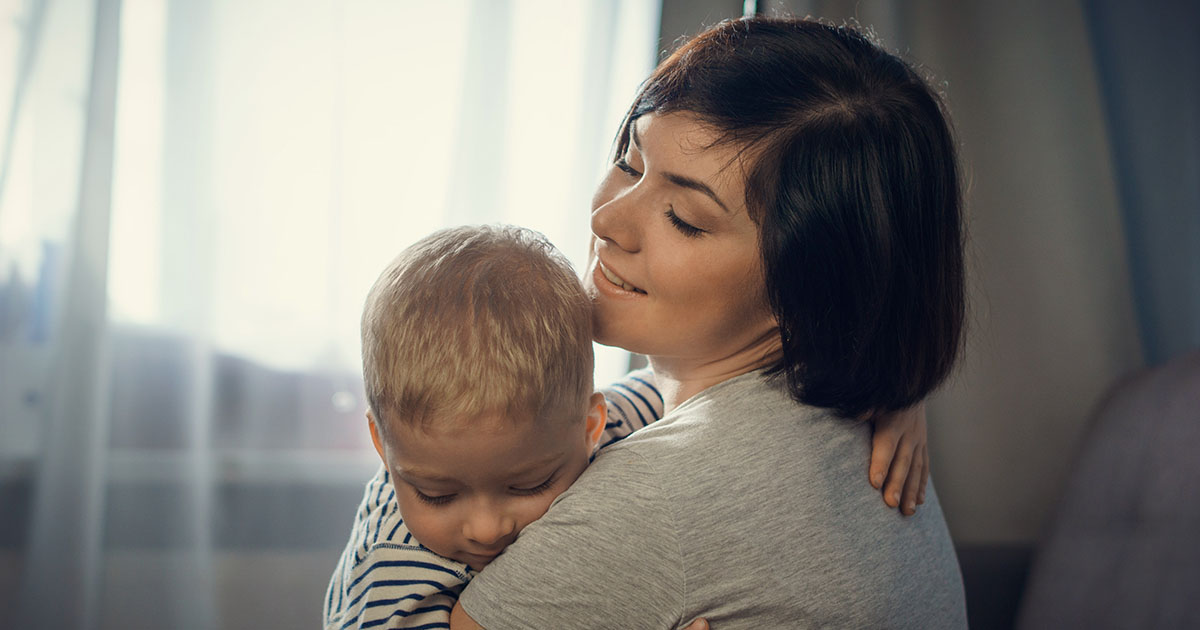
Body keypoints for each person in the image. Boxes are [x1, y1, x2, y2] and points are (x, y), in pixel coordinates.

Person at [450, 16, 968, 629]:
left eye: (685, 218)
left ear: (810, 288)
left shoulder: (662, 496)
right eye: (629, 161)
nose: (608, 221)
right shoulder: (856, 419)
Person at [324, 224, 929, 629]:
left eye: (529, 485)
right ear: (383, 445)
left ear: (592, 426)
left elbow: (766, 362)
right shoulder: (389, 581)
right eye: (436, 493)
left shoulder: (621, 424)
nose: (484, 526)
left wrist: (894, 389)